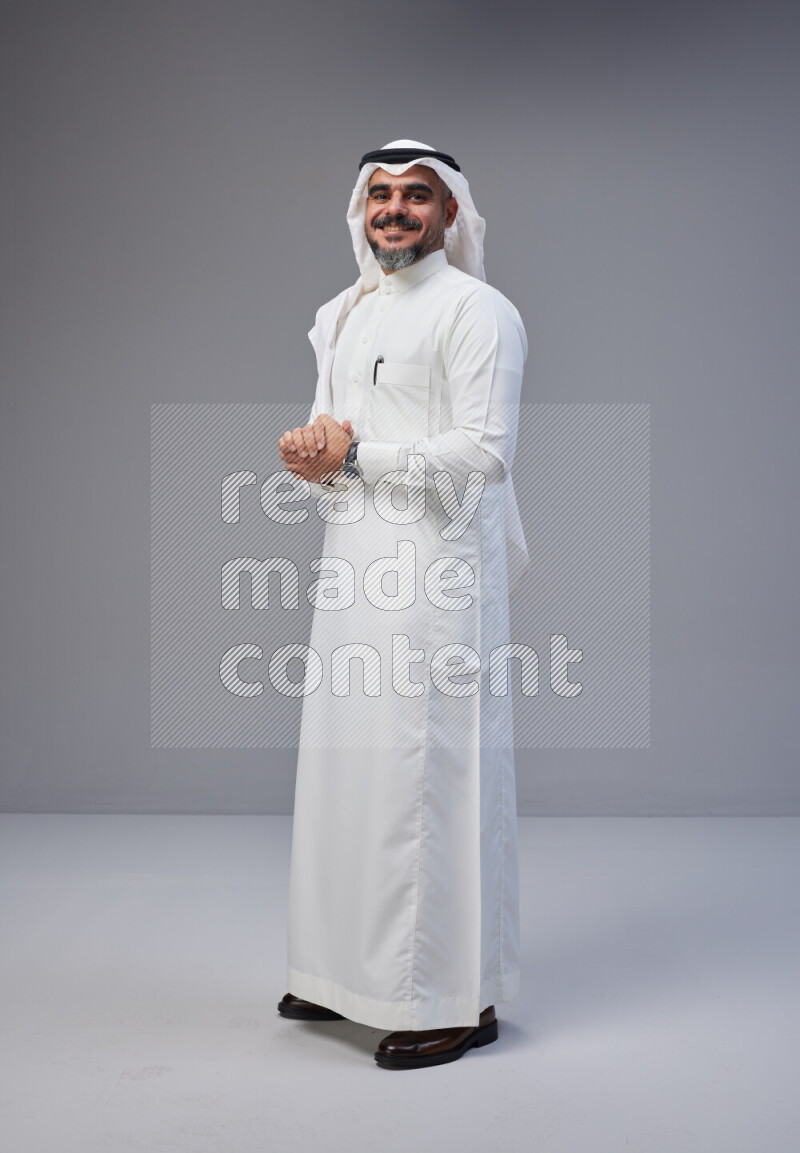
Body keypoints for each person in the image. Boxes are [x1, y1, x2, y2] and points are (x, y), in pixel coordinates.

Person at [276, 139, 529, 1069]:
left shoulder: (477, 311)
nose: (394, 209)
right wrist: (315, 455)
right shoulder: (343, 313)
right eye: (379, 194)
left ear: (450, 212)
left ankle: (451, 997)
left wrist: (354, 457)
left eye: (416, 195)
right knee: (347, 773)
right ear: (362, 209)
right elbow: (335, 437)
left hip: (438, 578)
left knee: (430, 778)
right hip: (354, 566)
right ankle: (345, 974)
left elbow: (484, 454)